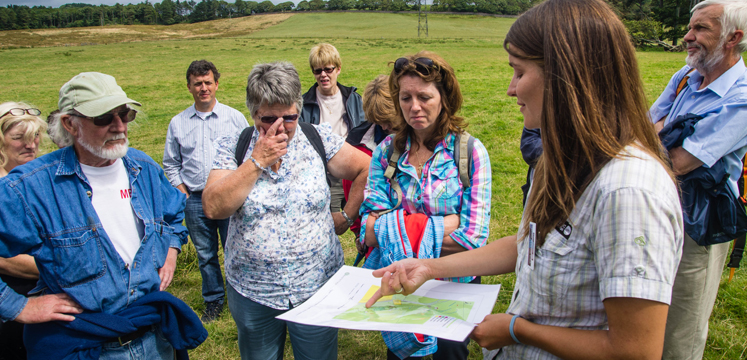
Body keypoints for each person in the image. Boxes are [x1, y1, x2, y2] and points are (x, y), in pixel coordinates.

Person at [366, 1, 684, 359]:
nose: (511, 89)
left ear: (568, 77)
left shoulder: (630, 191)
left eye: (519, 72)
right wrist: (429, 266)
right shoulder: (562, 160)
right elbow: (529, 244)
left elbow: (636, 352)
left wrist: (517, 330)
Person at [0, 72, 206, 359]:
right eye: (103, 117)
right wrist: (18, 306)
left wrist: (171, 248)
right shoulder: (30, 187)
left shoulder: (142, 167)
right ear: (70, 123)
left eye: (125, 113)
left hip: (156, 338)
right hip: (87, 347)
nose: (119, 126)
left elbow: (172, 213)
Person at [202, 61, 370, 360]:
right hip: (254, 291)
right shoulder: (235, 146)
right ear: (253, 112)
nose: (280, 127)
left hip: (317, 284)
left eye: (289, 117)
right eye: (268, 118)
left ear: (298, 108)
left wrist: (346, 216)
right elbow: (214, 206)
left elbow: (365, 169)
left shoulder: (318, 138)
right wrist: (256, 162)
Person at [359, 52, 492, 359]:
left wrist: (395, 230)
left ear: (445, 97)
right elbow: (369, 231)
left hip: (455, 283)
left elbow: (472, 240)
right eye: (405, 97)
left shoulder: (469, 152)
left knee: (451, 355)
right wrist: (446, 224)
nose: (414, 107)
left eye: (424, 96)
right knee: (403, 354)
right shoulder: (386, 152)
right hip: (401, 284)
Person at [648, 1, 747, 359]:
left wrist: (659, 137)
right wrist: (658, 137)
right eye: (691, 27)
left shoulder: (742, 99)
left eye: (701, 29)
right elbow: (644, 127)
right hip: (658, 205)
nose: (688, 37)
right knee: (643, 305)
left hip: (699, 223)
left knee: (680, 328)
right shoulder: (685, 76)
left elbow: (680, 161)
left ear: (733, 37)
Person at [163, 59, 248, 322]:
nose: (203, 88)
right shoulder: (178, 123)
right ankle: (213, 300)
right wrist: (183, 193)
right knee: (205, 254)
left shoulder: (234, 118)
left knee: (235, 248)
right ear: (189, 87)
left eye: (208, 82)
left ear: (217, 84)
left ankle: (241, 298)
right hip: (196, 200)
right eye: (197, 83)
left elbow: (247, 155)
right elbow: (171, 163)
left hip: (228, 196)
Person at [300, 43, 366, 222]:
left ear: (338, 68)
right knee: (323, 222)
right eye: (317, 71)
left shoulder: (353, 99)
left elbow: (365, 134)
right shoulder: (303, 104)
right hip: (322, 174)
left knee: (358, 220)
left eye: (328, 69)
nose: (323, 75)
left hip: (352, 170)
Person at [0, 102, 46, 360]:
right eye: (19, 138)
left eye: (35, 136)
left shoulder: (41, 176)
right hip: (13, 297)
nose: (31, 145)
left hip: (51, 292)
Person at [345, 74, 401, 261]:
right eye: (379, 121)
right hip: (374, 238)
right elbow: (351, 190)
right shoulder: (359, 143)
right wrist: (359, 231)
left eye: (389, 120)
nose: (385, 126)